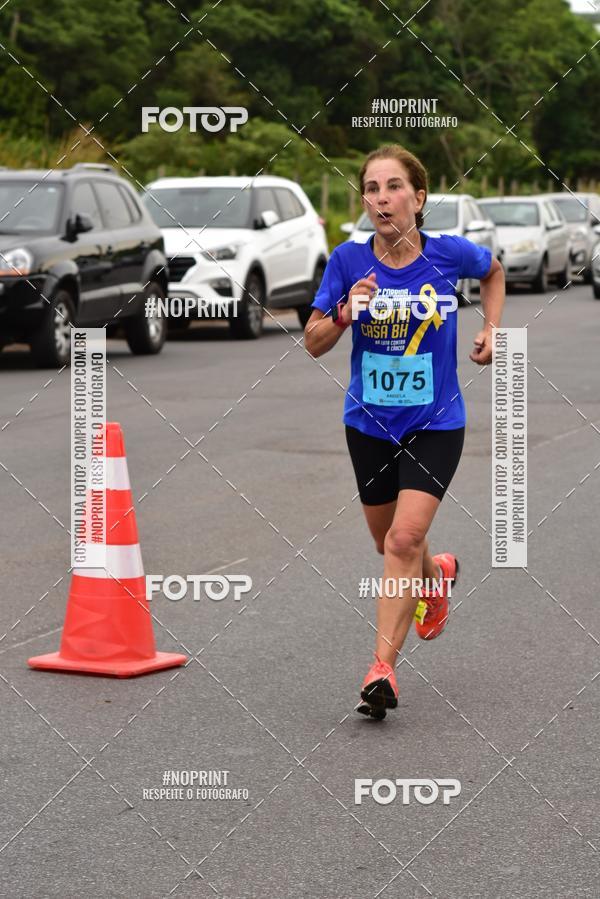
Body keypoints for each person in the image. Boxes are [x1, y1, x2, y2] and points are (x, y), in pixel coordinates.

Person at [303, 144, 505, 720]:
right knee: (390, 543)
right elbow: (313, 341)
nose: (381, 198)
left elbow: (493, 272)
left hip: (437, 422)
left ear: (419, 198)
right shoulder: (346, 260)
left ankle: (381, 669)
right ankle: (436, 576)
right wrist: (343, 313)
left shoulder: (448, 255)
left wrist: (493, 330)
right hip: (367, 424)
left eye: (394, 187)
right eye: (371, 188)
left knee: (399, 541)